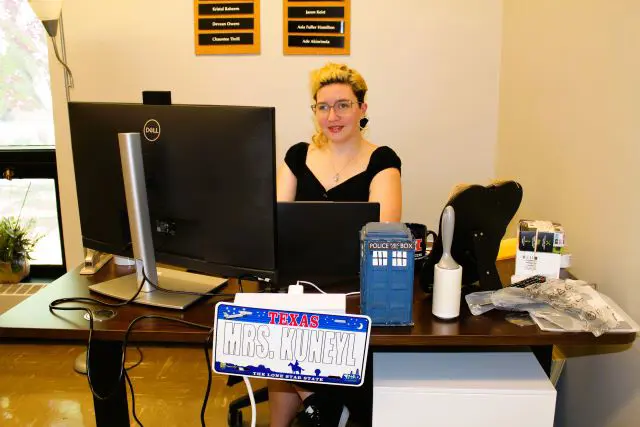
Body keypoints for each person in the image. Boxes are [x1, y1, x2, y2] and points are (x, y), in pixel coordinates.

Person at [273, 63, 402, 427]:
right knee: (279, 321)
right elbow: (277, 225)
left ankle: (323, 405)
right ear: (314, 112)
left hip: (356, 289)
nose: (332, 115)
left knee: (300, 330)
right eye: (323, 106)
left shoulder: (383, 161)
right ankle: (315, 404)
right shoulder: (297, 157)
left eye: (343, 105)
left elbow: (385, 233)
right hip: (297, 282)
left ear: (362, 108)